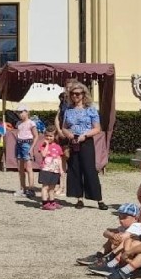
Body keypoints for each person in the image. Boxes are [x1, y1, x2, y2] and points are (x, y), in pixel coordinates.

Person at [59, 82, 107, 210]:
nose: (75, 96)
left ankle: (99, 199)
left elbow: (97, 128)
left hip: (86, 141)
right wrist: (69, 135)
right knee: (75, 169)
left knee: (89, 169)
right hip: (73, 141)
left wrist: (85, 135)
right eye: (73, 94)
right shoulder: (68, 110)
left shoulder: (90, 109)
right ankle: (79, 198)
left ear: (83, 95)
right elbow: (64, 127)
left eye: (78, 94)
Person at [74, 202, 141, 268]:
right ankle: (99, 255)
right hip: (128, 253)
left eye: (125, 217)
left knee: (123, 240)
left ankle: (108, 259)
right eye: (119, 217)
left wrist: (113, 237)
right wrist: (112, 235)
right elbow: (106, 232)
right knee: (113, 236)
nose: (121, 220)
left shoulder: (136, 226)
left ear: (136, 218)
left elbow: (122, 238)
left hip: (135, 255)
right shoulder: (123, 227)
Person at [35, 128, 64, 210]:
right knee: (45, 187)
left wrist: (61, 169)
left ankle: (52, 201)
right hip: (46, 169)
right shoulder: (43, 146)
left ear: (55, 136)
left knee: (52, 187)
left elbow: (59, 158)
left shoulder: (58, 147)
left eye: (51, 136)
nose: (48, 138)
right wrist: (47, 144)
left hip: (55, 170)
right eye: (47, 136)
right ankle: (45, 203)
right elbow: (43, 155)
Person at [12, 105, 36, 198]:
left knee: (29, 168)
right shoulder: (18, 123)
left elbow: (36, 136)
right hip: (18, 144)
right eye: (18, 112)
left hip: (27, 144)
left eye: (22, 112)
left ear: (27, 112)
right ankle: (23, 188)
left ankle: (31, 189)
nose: (20, 114)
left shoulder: (31, 123)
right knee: (20, 169)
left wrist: (31, 148)